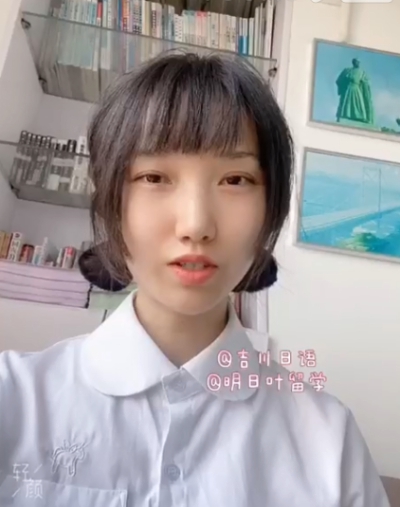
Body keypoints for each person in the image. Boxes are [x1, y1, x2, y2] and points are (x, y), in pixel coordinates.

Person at [0, 52, 390, 506]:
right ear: (109, 199)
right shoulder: (14, 399)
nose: (196, 224)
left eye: (235, 180)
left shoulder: (330, 442)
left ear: (272, 208)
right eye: (154, 176)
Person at [335, 57, 375, 125]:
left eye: (359, 62)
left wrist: (365, 83)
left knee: (359, 104)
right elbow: (339, 80)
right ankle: (346, 115)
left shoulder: (362, 72)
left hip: (357, 89)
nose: (358, 63)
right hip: (349, 89)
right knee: (347, 104)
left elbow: (366, 82)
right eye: (357, 62)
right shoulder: (347, 70)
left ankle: (361, 117)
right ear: (353, 62)